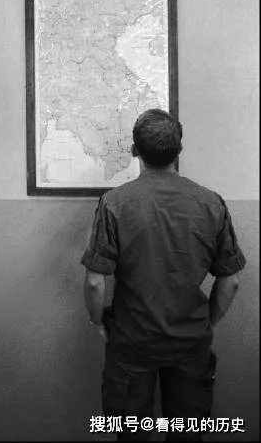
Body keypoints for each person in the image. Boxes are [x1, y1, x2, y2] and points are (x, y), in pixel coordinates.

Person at [81, 109, 246, 441]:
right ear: (179, 150)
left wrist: (98, 322)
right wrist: (206, 324)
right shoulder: (211, 203)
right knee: (187, 433)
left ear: (134, 151)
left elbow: (96, 282)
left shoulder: (114, 203)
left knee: (131, 433)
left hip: (131, 340)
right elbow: (231, 280)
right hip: (190, 342)